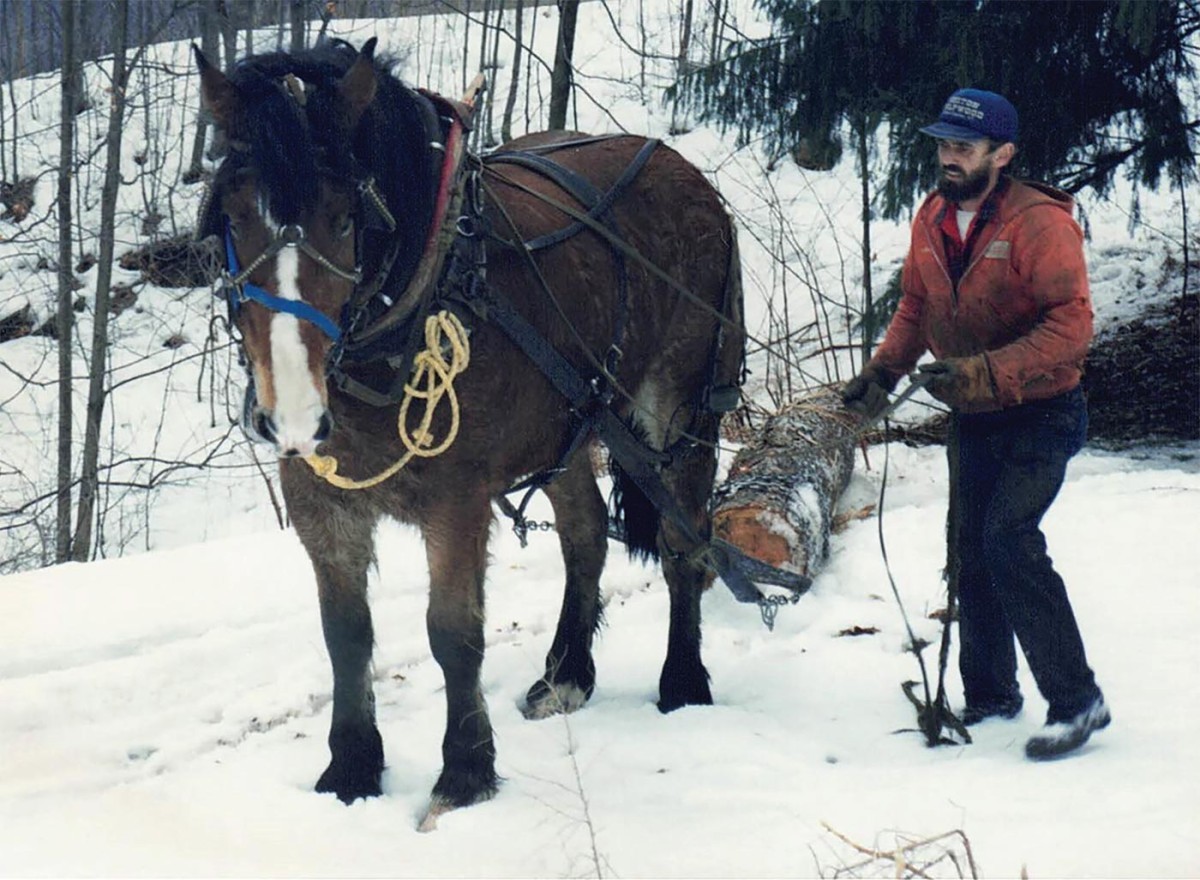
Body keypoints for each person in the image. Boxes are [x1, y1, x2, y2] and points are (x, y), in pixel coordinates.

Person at [842, 88, 1110, 760]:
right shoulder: (932, 216)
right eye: (943, 145)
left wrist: (985, 370)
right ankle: (990, 695)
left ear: (1003, 152)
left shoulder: (1039, 223)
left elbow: (1071, 327)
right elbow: (914, 306)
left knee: (1008, 540)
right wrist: (883, 375)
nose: (949, 157)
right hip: (974, 416)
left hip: (1042, 412)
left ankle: (1079, 702)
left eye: (964, 147)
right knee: (969, 553)